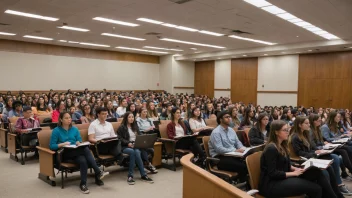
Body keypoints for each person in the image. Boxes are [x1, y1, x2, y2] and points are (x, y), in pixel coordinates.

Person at [259, 120, 340, 198]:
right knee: (316, 189)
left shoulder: (282, 145)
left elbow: (283, 163)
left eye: (288, 129)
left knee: (317, 172)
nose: (288, 132)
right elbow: (272, 173)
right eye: (285, 130)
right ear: (276, 132)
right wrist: (294, 173)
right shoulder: (271, 148)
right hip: (272, 184)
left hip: (282, 177)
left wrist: (294, 168)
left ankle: (335, 196)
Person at [49, 112, 109, 194]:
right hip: (65, 153)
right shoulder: (56, 131)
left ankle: (83, 184)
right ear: (61, 119)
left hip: (76, 151)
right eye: (66, 118)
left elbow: (79, 140)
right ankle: (98, 171)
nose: (69, 119)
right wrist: (63, 144)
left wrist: (78, 142)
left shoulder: (74, 129)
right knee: (85, 149)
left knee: (83, 160)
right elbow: (52, 146)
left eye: (70, 117)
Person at [289, 116, 344, 197]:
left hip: (310, 157)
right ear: (300, 125)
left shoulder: (305, 134)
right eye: (306, 123)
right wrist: (314, 154)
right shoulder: (295, 137)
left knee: (329, 167)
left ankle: (337, 193)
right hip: (303, 160)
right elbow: (299, 153)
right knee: (324, 171)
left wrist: (315, 152)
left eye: (308, 123)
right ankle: (332, 195)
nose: (309, 125)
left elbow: (310, 149)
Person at [309, 114, 352, 194]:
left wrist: (324, 144)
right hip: (317, 152)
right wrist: (322, 146)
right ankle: (338, 184)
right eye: (318, 120)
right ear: (313, 121)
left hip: (324, 148)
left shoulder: (318, 129)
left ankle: (339, 183)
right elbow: (313, 146)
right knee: (339, 155)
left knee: (343, 152)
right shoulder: (312, 130)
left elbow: (321, 141)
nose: (320, 121)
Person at [208, 111, 248, 183]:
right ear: (220, 119)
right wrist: (235, 150)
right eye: (227, 117)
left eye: (230, 117)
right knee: (243, 166)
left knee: (248, 161)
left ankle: (245, 182)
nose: (229, 118)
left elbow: (237, 142)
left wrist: (242, 148)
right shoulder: (216, 132)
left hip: (232, 155)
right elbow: (219, 149)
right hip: (219, 158)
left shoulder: (231, 130)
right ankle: (243, 186)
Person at [117, 112, 154, 185]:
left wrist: (143, 140)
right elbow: (119, 139)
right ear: (126, 118)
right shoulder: (122, 127)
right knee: (133, 152)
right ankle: (134, 175)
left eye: (132, 117)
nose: (131, 119)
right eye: (129, 117)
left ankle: (139, 175)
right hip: (125, 146)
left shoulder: (135, 126)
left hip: (135, 145)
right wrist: (128, 143)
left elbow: (140, 135)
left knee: (137, 152)